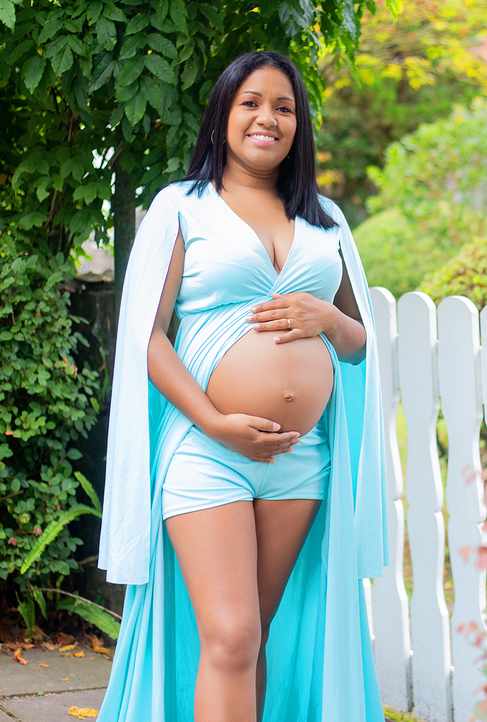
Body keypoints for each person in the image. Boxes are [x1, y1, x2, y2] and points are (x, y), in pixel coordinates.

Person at [95, 51, 388, 721]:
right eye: (251, 102)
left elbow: (359, 340)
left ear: (300, 124)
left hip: (299, 462)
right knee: (230, 635)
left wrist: (328, 317)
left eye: (284, 106)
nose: (267, 117)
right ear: (223, 114)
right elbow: (147, 335)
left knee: (256, 635)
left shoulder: (326, 222)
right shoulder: (182, 207)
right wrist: (213, 421)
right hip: (208, 451)